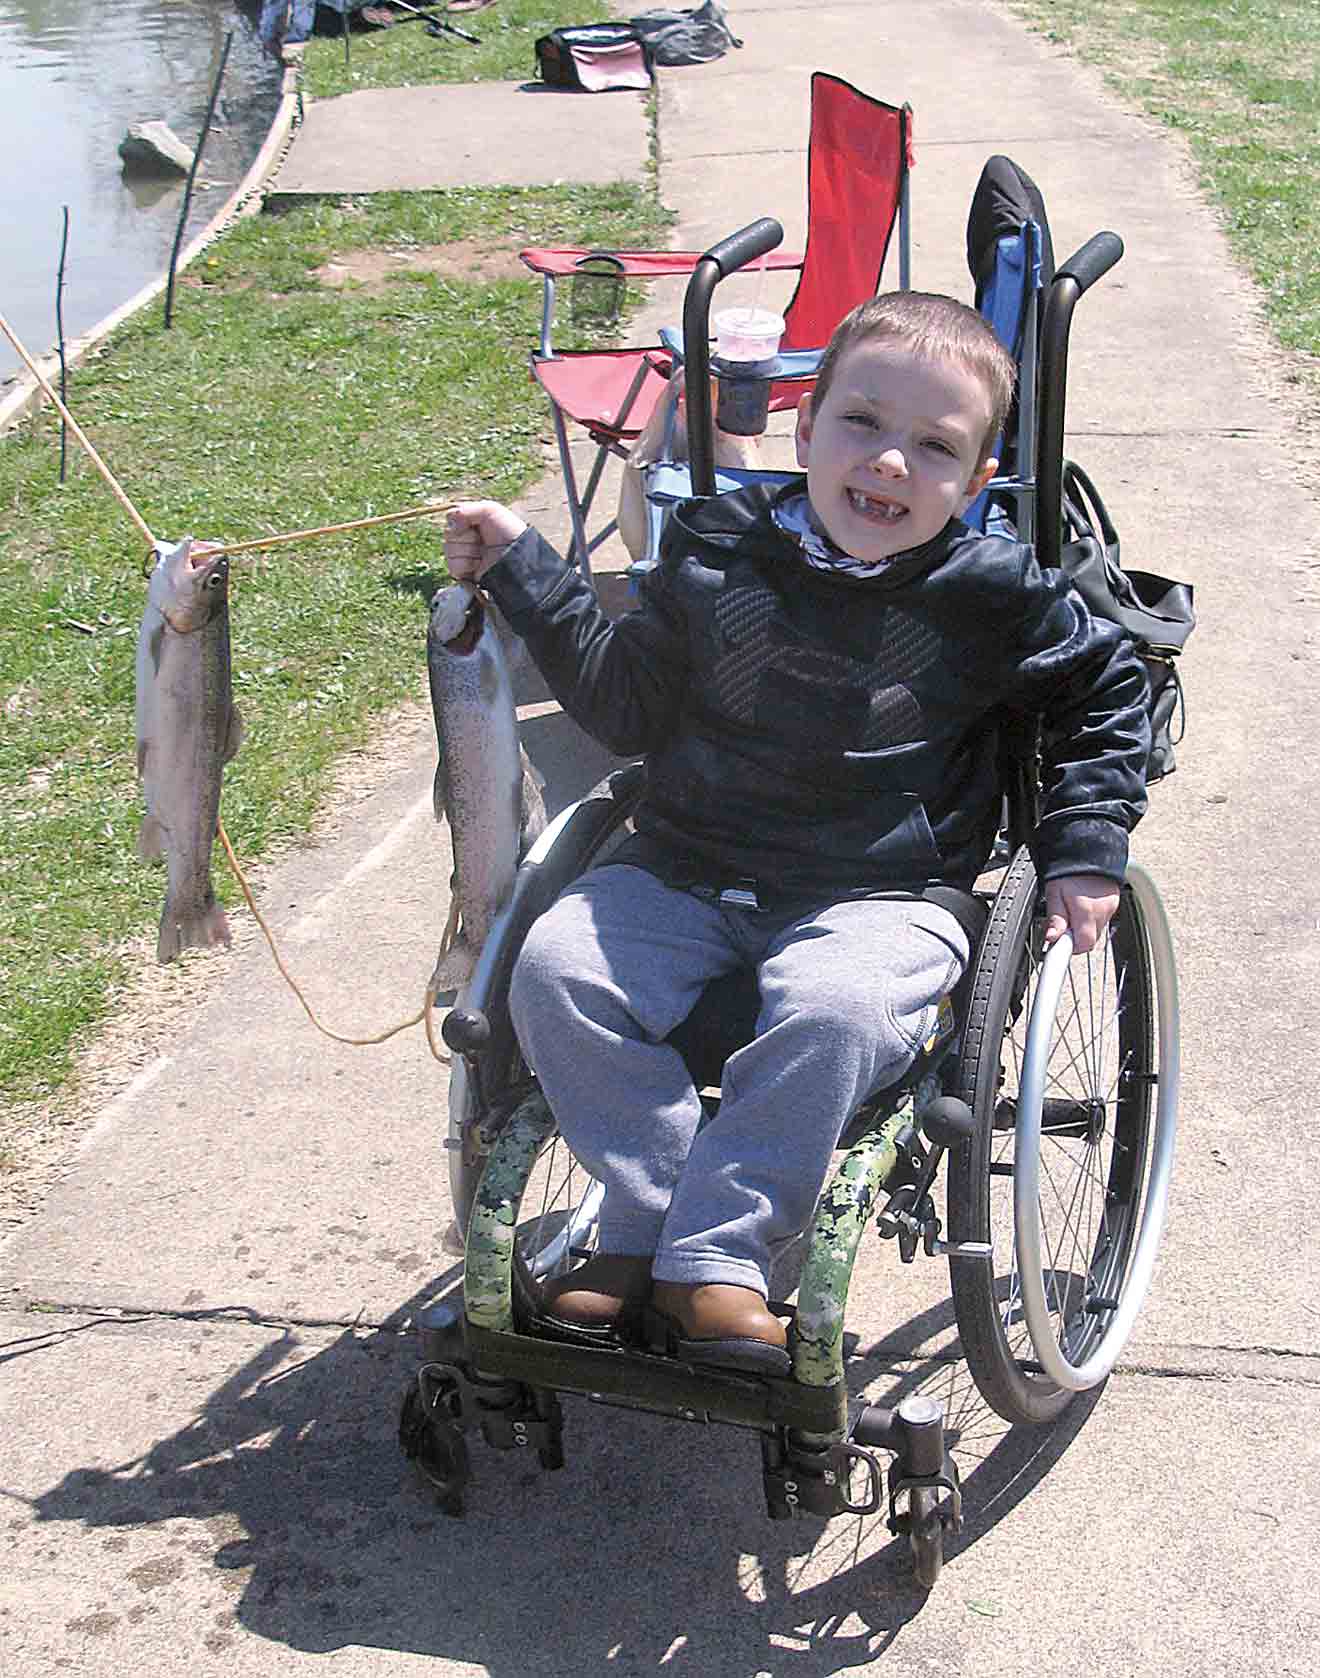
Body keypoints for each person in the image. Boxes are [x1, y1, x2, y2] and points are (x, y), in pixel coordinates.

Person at [444, 290, 1150, 1376]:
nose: (890, 466)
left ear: (975, 476)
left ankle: (717, 1260)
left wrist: (1086, 839)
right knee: (554, 970)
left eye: (935, 447)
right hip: (687, 859)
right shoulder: (719, 551)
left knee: (838, 1009)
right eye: (863, 424)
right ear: (805, 422)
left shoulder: (990, 592)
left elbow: (1109, 689)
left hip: (884, 885)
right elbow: (625, 705)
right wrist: (531, 571)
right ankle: (642, 1221)